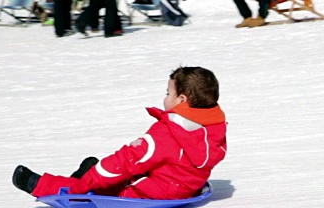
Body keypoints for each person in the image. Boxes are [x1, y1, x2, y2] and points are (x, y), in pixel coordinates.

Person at [12, 66, 228, 200]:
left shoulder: (169, 132)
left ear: (182, 100)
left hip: (153, 192)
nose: (165, 98)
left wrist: (93, 177)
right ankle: (85, 173)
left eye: (168, 93)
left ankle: (39, 185)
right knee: (118, 174)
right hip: (181, 187)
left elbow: (127, 160)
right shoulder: (213, 128)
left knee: (94, 186)